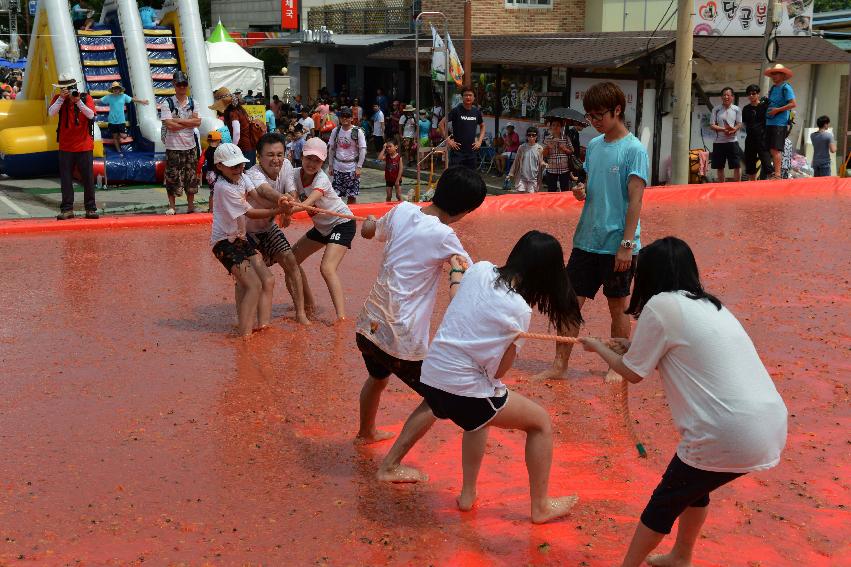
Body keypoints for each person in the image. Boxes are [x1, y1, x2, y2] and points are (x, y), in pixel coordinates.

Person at [579, 236, 787, 567]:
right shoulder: (709, 305)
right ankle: (680, 556)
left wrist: (598, 347)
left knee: (666, 501)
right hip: (769, 423)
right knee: (694, 487)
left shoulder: (660, 305)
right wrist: (626, 346)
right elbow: (666, 353)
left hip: (729, 431)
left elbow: (632, 374)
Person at [420, 231, 584, 525]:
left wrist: (456, 274)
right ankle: (541, 507)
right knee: (540, 423)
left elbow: (458, 301)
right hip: (462, 391)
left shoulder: (480, 268)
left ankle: (468, 494)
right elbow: (498, 372)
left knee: (479, 418)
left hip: (431, 378)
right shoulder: (519, 310)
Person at [355, 167, 487, 483]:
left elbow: (370, 232)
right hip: (400, 338)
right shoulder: (446, 236)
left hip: (369, 325)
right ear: (465, 211)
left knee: (378, 376)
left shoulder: (402, 210)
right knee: (440, 398)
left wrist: (372, 221)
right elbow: (470, 278)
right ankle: (390, 465)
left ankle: (366, 432)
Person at [536, 81, 648, 381]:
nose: (594, 122)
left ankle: (618, 367)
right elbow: (595, 183)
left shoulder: (634, 150)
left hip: (617, 244)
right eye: (591, 116)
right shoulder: (595, 146)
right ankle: (560, 365)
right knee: (570, 302)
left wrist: (626, 245)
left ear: (617, 110)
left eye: (600, 115)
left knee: (618, 307)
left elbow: (635, 201)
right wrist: (582, 190)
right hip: (587, 239)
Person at [209, 143, 286, 338]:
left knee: (267, 279)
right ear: (219, 166)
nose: (238, 169)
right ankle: (245, 336)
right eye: (233, 166)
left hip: (240, 239)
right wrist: (279, 210)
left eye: (240, 165)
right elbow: (250, 212)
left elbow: (257, 194)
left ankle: (263, 326)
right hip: (224, 243)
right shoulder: (223, 188)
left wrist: (281, 200)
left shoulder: (242, 177)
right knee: (253, 285)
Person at [243, 132, 310, 326]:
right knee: (252, 279)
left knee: (291, 261)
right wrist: (283, 201)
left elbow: (291, 190)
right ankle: (250, 318)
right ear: (259, 157)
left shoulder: (287, 166)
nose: (276, 160)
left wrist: (288, 206)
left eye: (279, 154)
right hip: (245, 233)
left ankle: (300, 313)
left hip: (268, 228)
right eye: (270, 155)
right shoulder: (252, 174)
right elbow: (265, 191)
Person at [288, 138, 356, 322]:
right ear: (301, 156)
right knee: (291, 260)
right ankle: (308, 303)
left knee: (326, 268)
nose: (312, 164)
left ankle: (341, 318)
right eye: (309, 158)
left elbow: (306, 204)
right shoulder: (293, 174)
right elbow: (289, 193)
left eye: (317, 160)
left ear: (323, 162)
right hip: (322, 227)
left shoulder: (322, 179)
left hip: (342, 223)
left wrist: (283, 209)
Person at [49, 72, 98, 220]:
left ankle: (90, 209)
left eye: (67, 88)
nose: (65, 91)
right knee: (65, 179)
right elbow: (51, 113)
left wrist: (78, 101)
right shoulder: (58, 99)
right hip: (65, 146)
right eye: (62, 89)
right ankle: (67, 209)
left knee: (88, 179)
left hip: (84, 145)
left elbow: (91, 115)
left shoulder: (84, 97)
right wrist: (61, 99)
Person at [161, 71, 201, 215]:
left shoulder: (193, 102)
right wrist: (188, 123)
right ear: (174, 84)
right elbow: (169, 125)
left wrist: (177, 120)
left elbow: (198, 122)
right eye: (179, 84)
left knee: (191, 176)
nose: (182, 87)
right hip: (173, 146)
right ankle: (172, 206)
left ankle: (191, 205)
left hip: (190, 146)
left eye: (184, 84)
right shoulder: (167, 103)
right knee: (172, 176)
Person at [327, 107, 367, 205]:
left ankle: (351, 218)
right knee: (336, 195)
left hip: (352, 168)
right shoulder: (335, 131)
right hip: (337, 167)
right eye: (343, 116)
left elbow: (363, 150)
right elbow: (331, 148)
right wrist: (331, 165)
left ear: (351, 118)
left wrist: (359, 167)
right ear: (340, 118)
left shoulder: (358, 131)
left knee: (352, 196)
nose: (345, 119)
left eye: (347, 116)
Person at [764, 64, 797, 180]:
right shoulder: (773, 88)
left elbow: (793, 103)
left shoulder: (786, 87)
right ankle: (775, 173)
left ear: (783, 75)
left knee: (776, 148)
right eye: (772, 73)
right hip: (770, 121)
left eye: (776, 73)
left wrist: (777, 110)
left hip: (779, 122)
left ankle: (777, 175)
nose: (773, 76)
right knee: (771, 149)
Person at [210, 87, 256, 167]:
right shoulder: (240, 110)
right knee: (251, 174)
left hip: (243, 148)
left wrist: (233, 148)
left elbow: (237, 132)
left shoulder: (233, 113)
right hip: (250, 147)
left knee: (245, 173)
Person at [440, 87, 485, 170]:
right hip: (457, 153)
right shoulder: (456, 111)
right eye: (466, 95)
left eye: (470, 95)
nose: (468, 97)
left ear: (474, 97)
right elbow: (441, 124)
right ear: (462, 97)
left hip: (471, 152)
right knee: (455, 177)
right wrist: (448, 140)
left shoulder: (476, 112)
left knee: (470, 178)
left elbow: (482, 126)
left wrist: (479, 141)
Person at [99, 81, 148, 155]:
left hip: (121, 121)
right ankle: (119, 151)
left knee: (123, 136)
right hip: (112, 121)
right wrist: (90, 101)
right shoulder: (109, 97)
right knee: (115, 137)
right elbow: (99, 100)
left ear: (119, 89)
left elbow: (132, 99)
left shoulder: (124, 96)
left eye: (117, 88)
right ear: (112, 90)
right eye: (114, 88)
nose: (115, 90)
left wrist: (142, 101)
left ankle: (121, 135)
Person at [709, 87, 742, 183]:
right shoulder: (716, 109)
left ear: (732, 97)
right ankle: (721, 186)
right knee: (720, 166)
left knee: (736, 165)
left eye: (728, 95)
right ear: (721, 97)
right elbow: (712, 125)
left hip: (732, 141)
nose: (726, 97)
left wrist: (733, 129)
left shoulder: (737, 109)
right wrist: (724, 129)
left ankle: (738, 186)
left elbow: (739, 124)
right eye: (724, 95)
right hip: (719, 142)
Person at [742, 84, 771, 181]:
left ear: (758, 94)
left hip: (763, 138)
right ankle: (752, 184)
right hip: (750, 139)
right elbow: (745, 123)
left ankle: (768, 184)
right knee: (750, 163)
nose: (751, 96)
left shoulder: (764, 106)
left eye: (753, 93)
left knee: (766, 163)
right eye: (749, 94)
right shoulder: (746, 109)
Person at [507, 126, 544, 193]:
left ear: (536, 136)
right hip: (522, 177)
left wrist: (544, 164)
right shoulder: (522, 147)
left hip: (533, 178)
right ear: (526, 136)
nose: (531, 137)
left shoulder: (540, 148)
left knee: (531, 200)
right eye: (529, 135)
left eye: (533, 135)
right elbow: (516, 161)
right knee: (521, 199)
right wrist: (510, 174)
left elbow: (541, 162)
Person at [542, 118, 574, 191]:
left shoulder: (566, 138)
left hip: (564, 169)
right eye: (553, 125)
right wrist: (548, 146)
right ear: (551, 127)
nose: (555, 127)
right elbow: (544, 155)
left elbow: (572, 151)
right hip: (551, 169)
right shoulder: (547, 139)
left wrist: (564, 148)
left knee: (565, 190)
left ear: (561, 127)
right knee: (551, 191)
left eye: (558, 125)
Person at [200, 130, 222, 213]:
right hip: (216, 173)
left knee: (212, 192)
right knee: (218, 192)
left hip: (209, 174)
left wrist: (198, 171)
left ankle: (211, 209)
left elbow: (201, 161)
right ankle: (216, 209)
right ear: (218, 140)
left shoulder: (206, 150)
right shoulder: (219, 150)